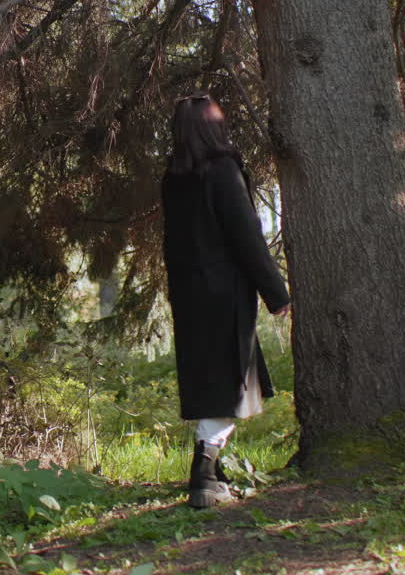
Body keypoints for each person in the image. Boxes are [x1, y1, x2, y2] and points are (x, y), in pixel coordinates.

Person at [161, 91, 291, 509]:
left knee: (214, 384)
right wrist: (277, 293)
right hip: (224, 295)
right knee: (230, 387)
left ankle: (212, 474)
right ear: (208, 128)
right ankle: (202, 474)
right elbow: (246, 237)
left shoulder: (174, 176)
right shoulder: (221, 170)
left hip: (190, 295)